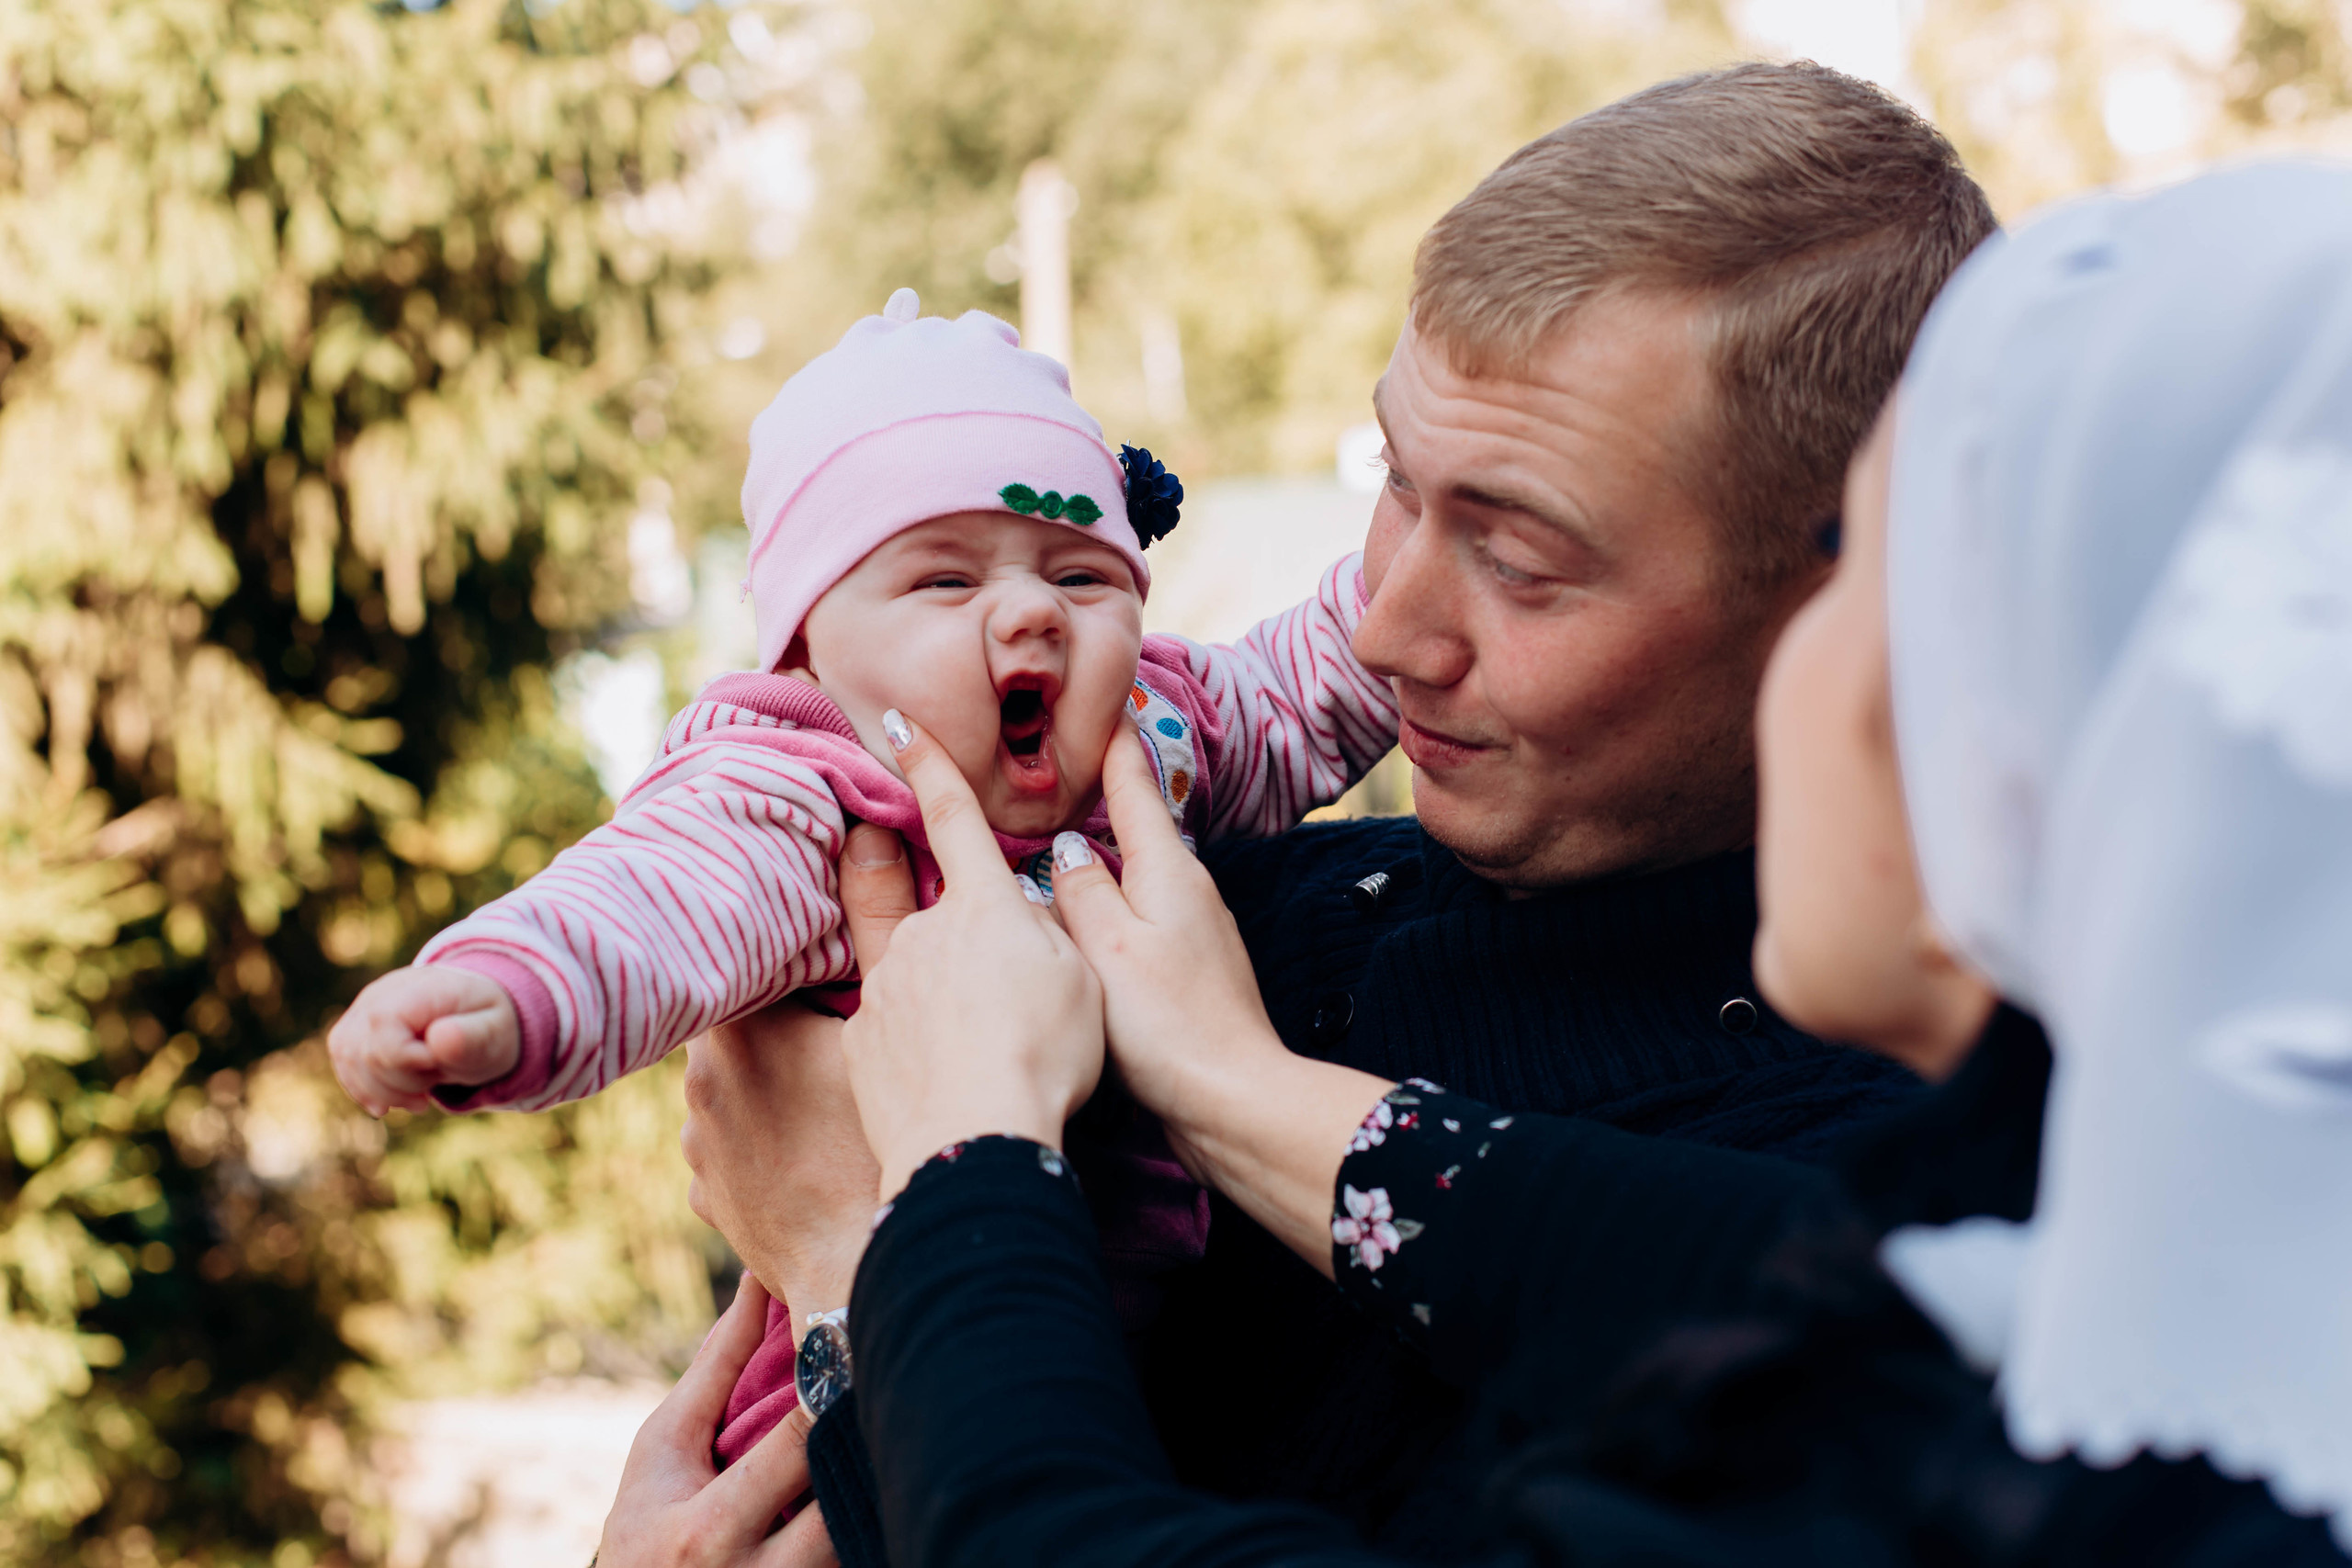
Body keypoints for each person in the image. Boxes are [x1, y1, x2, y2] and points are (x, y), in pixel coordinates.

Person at [599, 157, 2352, 1566]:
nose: (1387, 622)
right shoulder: (1252, 898)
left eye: (1520, 558)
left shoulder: (1959, 1236)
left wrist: (885, 1240)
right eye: (1393, 481)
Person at [325, 288, 1399, 1462]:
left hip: (1146, 1378)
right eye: (946, 582)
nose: (1033, 610)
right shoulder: (808, 794)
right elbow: (654, 904)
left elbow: (1311, 679)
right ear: (806, 645)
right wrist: (506, 995)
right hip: (866, 1376)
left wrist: (1430, 561)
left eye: (1084, 578)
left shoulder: (1162, 733)